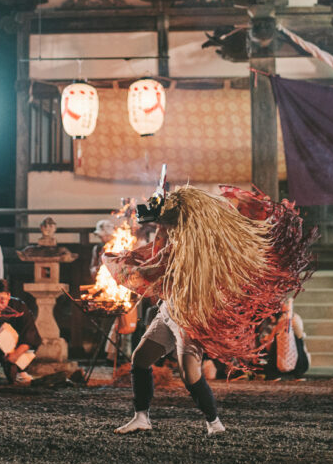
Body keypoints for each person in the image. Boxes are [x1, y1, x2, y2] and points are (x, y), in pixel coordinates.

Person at [109, 182, 317, 437]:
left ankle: (214, 423)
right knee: (140, 360)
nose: (165, 226)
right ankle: (141, 418)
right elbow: (157, 245)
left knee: (189, 373)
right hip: (169, 311)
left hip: (190, 314)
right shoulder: (170, 239)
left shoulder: (203, 248)